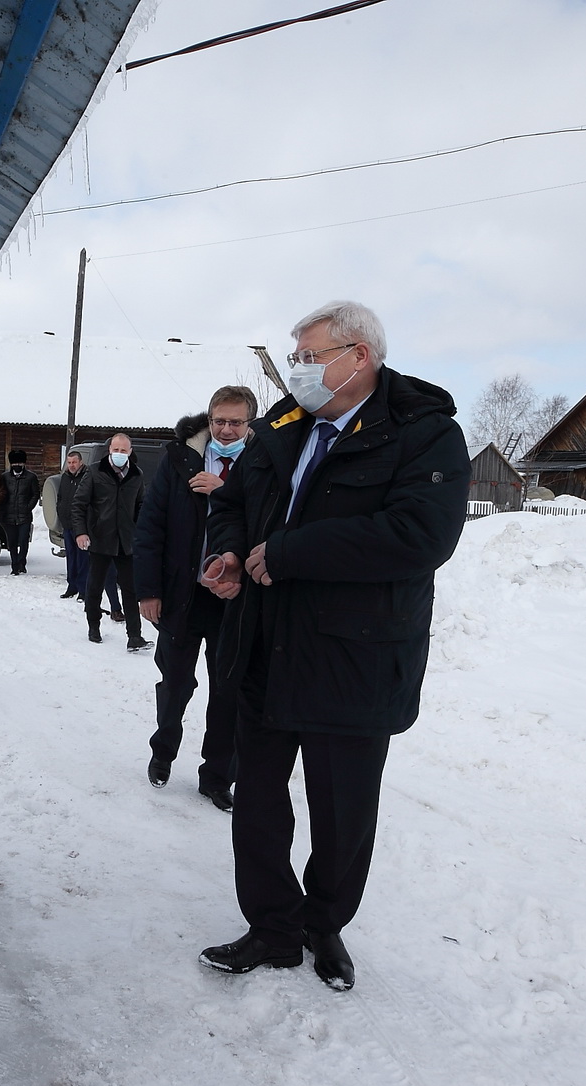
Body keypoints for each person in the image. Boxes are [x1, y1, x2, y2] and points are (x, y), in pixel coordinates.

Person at [198, 300, 470, 991]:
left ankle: (324, 923)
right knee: (257, 802)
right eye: (295, 357)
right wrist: (227, 552)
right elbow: (231, 502)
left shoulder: (424, 435)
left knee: (342, 812)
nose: (298, 371)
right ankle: (271, 926)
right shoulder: (282, 427)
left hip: (356, 658)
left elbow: (419, 536)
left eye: (309, 356)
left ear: (359, 357)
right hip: (265, 646)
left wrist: (288, 552)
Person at [133, 386, 256, 812]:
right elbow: (150, 527)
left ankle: (218, 776)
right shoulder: (179, 458)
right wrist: (148, 590)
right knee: (175, 683)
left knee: (228, 692)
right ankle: (162, 753)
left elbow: (264, 521)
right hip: (181, 595)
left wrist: (223, 490)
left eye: (235, 422)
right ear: (209, 418)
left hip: (233, 598)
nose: (225, 429)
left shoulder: (260, 464)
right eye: (219, 420)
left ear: (249, 425)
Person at [71, 434, 148, 650]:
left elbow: (142, 505)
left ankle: (135, 636)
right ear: (110, 450)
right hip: (100, 538)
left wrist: (140, 531)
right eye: (116, 450)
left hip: (126, 542)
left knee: (130, 590)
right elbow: (79, 504)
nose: (120, 454)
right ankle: (93, 626)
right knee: (95, 586)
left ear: (130, 452)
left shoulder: (136, 475)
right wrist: (81, 532)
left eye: (124, 451)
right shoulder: (95, 471)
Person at [50, 449, 124, 613]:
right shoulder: (65, 478)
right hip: (68, 525)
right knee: (71, 557)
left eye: (74, 462)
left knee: (84, 559)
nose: (71, 465)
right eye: (69, 463)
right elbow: (60, 498)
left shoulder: (87, 476)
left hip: (83, 527)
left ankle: (83, 590)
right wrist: (61, 515)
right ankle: (72, 586)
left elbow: (88, 503)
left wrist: (85, 525)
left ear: (81, 462)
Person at [0, 449, 42, 575]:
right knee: (12, 542)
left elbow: (35, 494)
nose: (17, 466)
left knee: (23, 541)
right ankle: (14, 566)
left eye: (20, 463)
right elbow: (2, 494)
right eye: (14, 464)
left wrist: (28, 507)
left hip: (25, 515)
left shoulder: (31, 477)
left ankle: (22, 563)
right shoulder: (5, 477)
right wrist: (3, 509)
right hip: (9, 515)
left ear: (24, 464)